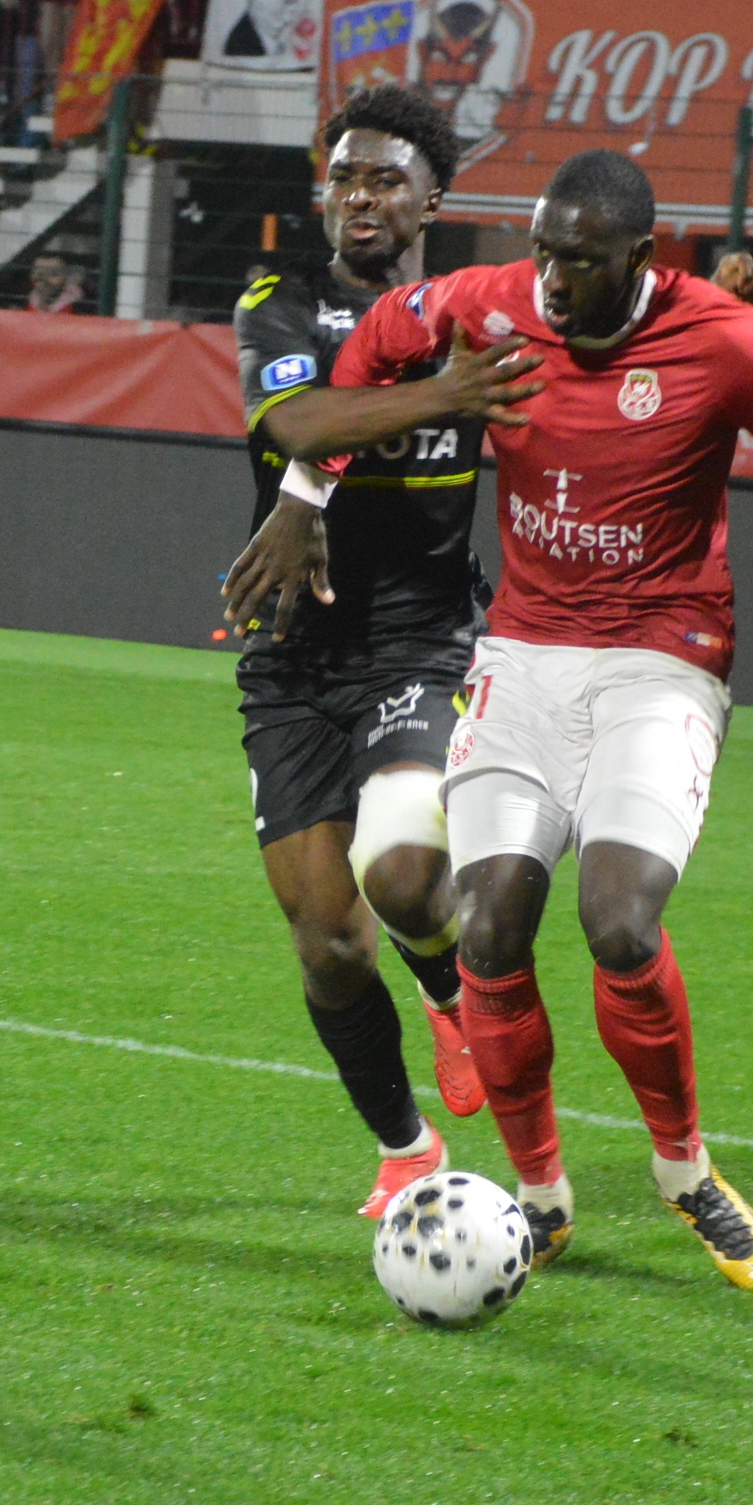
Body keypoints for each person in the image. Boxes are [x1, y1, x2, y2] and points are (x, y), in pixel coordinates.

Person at [237, 149, 753, 1287]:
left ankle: (685, 1171)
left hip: (662, 660)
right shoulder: (488, 302)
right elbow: (373, 352)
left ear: (639, 258)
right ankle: (541, 1196)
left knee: (620, 921)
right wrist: (308, 492)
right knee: (487, 928)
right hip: (524, 657)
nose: (551, 282)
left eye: (579, 263)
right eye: (542, 253)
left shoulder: (728, 342)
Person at [215, 86, 507, 1221]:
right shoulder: (279, 300)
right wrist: (444, 394)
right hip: (293, 652)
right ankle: (406, 1145)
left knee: (403, 874)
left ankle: (447, 990)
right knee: (329, 941)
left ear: (434, 200)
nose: (360, 196)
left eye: (387, 178)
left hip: (420, 639)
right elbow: (297, 422)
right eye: (344, 176)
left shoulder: (481, 314)